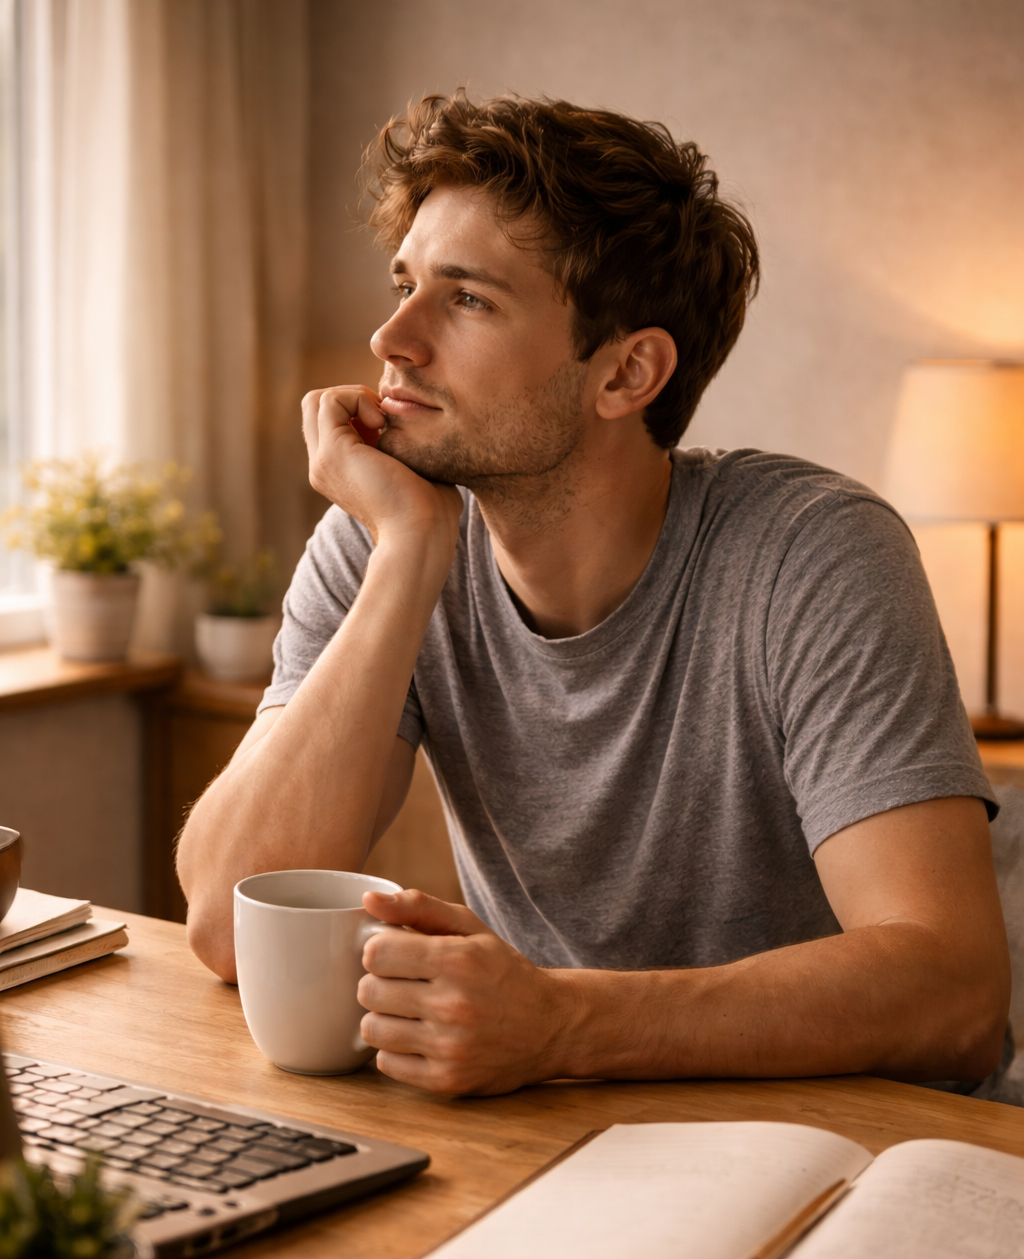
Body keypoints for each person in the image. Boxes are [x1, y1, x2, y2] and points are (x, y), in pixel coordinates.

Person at [177, 91, 1009, 1098]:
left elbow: (954, 1000)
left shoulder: (811, 555)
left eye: (467, 298)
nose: (391, 337)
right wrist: (404, 555)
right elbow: (225, 924)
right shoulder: (384, 537)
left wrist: (563, 1022)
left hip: (842, 1141)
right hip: (566, 1123)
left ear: (627, 373)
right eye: (404, 283)